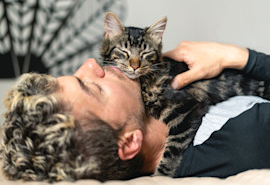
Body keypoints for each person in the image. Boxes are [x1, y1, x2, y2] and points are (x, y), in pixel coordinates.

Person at [1, 41, 270, 182]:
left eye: (75, 74)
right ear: (130, 142)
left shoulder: (174, 97)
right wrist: (240, 56)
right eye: (92, 87)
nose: (91, 64)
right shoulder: (245, 140)